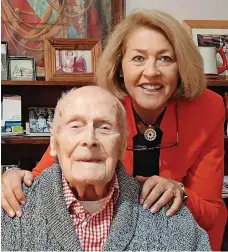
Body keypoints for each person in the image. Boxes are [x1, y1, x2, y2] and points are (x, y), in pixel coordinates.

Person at [1, 10, 227, 250]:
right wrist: (15, 179)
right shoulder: (103, 107)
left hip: (172, 230)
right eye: (138, 58)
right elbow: (51, 174)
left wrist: (180, 193)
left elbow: (211, 212)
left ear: (180, 67)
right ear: (120, 66)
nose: (151, 71)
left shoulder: (208, 108)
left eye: (165, 58)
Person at [1, 86, 211, 251]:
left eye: (104, 127)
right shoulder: (9, 210)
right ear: (54, 143)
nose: (89, 140)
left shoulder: (169, 218)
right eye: (76, 126)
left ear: (121, 146)